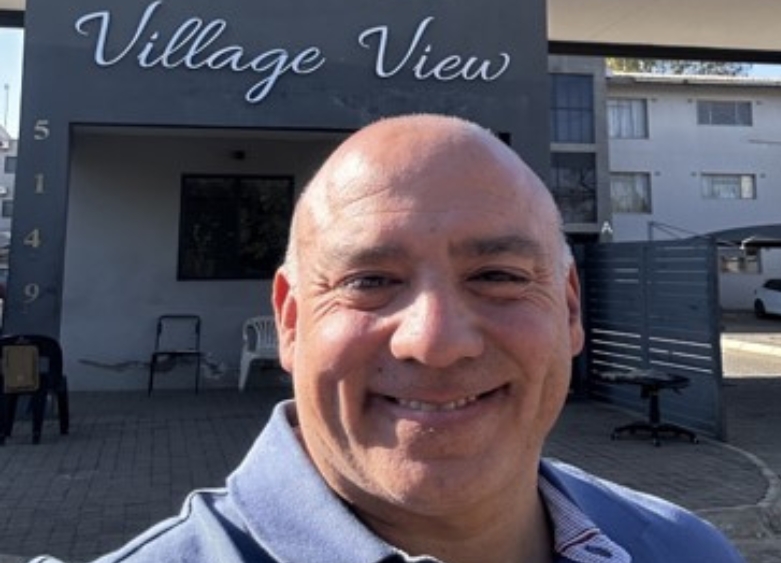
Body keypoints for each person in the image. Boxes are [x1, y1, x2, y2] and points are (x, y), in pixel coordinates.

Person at [34, 114, 745, 562]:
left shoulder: (684, 547)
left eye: (496, 274)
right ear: (290, 320)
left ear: (567, 310)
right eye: (370, 280)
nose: (434, 341)